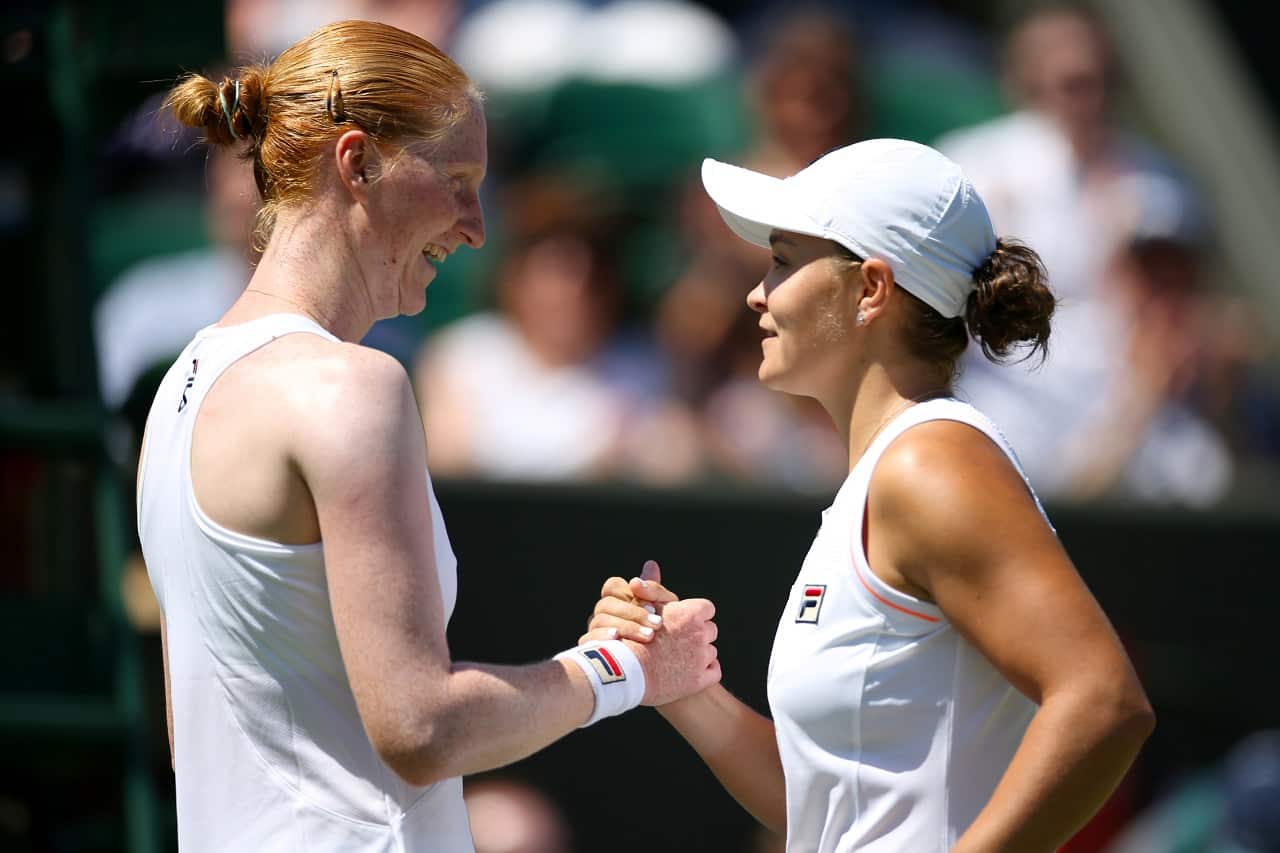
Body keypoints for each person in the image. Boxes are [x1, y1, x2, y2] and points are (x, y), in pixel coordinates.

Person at [136, 21, 720, 852]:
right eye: (456, 178)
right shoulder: (351, 388)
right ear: (357, 162)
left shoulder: (182, 387)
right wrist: (625, 669)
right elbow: (421, 727)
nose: (477, 225)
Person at [584, 139, 1155, 851]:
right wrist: (682, 688)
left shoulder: (930, 463)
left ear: (871, 290)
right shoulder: (893, 472)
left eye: (785, 261)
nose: (757, 292)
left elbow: (1103, 700)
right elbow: (827, 814)